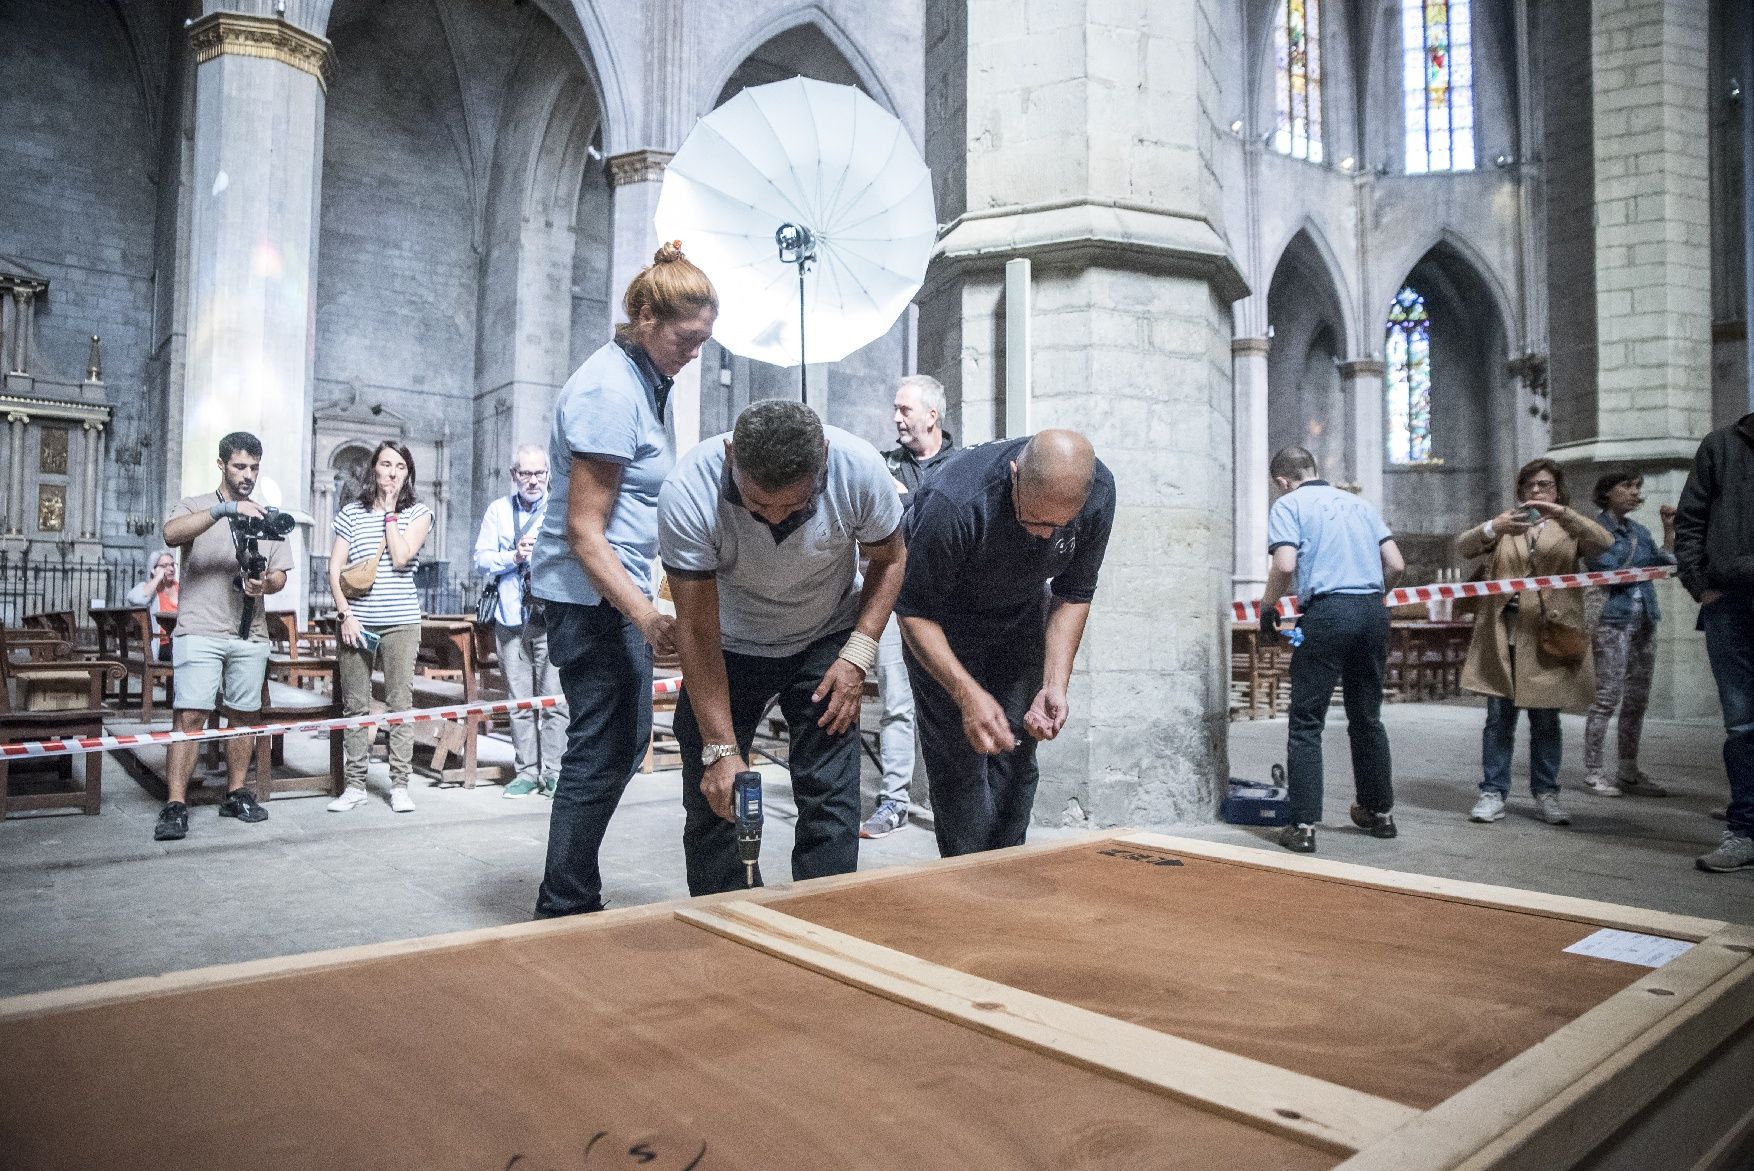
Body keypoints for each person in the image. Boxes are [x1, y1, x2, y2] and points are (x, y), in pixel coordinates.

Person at [529, 243, 716, 917]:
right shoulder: (611, 391)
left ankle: (569, 892)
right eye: (686, 339)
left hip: (607, 593)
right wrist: (645, 614)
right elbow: (584, 531)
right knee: (604, 743)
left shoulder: (642, 380)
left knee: (617, 740)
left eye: (704, 342)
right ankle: (564, 904)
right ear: (644, 316)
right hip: (590, 600)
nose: (694, 353)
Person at [660, 400, 905, 894]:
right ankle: (728, 914)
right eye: (757, 505)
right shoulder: (689, 491)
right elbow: (698, 631)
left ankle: (823, 915)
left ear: (825, 458)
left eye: (793, 506)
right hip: (726, 642)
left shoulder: (858, 470)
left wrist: (859, 651)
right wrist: (722, 747)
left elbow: (891, 559)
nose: (773, 518)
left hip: (825, 634)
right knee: (716, 788)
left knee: (830, 794)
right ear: (731, 455)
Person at [894, 429, 1114, 858]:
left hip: (1019, 618)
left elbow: (1073, 594)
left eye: (1060, 526)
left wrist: (1055, 684)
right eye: (1034, 521)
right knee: (961, 763)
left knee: (1015, 748)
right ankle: (970, 886)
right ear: (1015, 476)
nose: (1045, 538)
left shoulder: (1099, 491)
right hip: (943, 627)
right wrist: (966, 693)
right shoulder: (955, 501)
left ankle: (1008, 866)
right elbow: (914, 612)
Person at [1256, 447, 1404, 853]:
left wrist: (1268, 606)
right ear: (1313, 470)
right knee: (1367, 717)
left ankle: (1303, 825)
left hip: (1327, 613)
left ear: (1282, 481)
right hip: (1372, 612)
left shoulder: (1289, 504)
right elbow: (1396, 564)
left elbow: (1285, 565)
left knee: (1306, 721)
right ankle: (1380, 814)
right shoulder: (1359, 504)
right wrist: (1369, 599)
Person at [151, 432, 292, 842]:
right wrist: (226, 509)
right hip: (200, 628)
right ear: (221, 464)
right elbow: (172, 533)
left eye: (254, 468)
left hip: (250, 632)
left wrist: (264, 584)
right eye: (239, 466)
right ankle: (176, 802)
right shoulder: (197, 504)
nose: (247, 475)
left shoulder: (266, 516)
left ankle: (236, 792)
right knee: (190, 715)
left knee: (244, 715)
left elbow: (280, 573)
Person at [1459, 459, 1612, 827]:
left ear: (1557, 491)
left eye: (1544, 485)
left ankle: (1547, 793)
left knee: (1545, 719)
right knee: (1498, 719)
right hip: (1503, 633)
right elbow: (1464, 546)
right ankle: (1492, 792)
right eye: (1529, 484)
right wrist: (1492, 526)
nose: (1536, 491)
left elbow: (1603, 543)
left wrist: (1564, 513)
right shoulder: (1507, 527)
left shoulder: (1568, 527)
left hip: (1548, 635)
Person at [863, 373, 958, 840]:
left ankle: (957, 800)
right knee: (898, 705)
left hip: (952, 609)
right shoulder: (881, 467)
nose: (896, 418)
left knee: (954, 700)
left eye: (905, 410)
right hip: (898, 604)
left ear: (931, 416)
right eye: (896, 409)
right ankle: (895, 802)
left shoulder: (963, 465)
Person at [327, 441, 433, 815]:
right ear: (373, 469)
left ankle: (400, 785)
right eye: (385, 464)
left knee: (399, 704)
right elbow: (335, 568)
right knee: (355, 706)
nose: (391, 472)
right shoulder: (351, 514)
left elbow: (402, 557)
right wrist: (345, 614)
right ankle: (355, 785)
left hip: (401, 622)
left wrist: (390, 513)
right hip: (358, 621)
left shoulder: (419, 513)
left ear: (408, 474)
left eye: (400, 466)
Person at [1674, 414, 1754, 872]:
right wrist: (1698, 582)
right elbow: (1691, 519)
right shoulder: (1721, 446)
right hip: (1730, 604)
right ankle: (1744, 832)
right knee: (1743, 727)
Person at [473, 444, 565, 799]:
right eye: (525, 473)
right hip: (511, 619)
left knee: (555, 702)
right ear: (514, 476)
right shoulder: (498, 511)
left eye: (538, 473)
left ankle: (553, 772)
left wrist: (542, 552)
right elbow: (481, 559)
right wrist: (513, 556)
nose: (532, 480)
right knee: (520, 702)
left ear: (547, 475)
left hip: (550, 619)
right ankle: (526, 772)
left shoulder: (558, 512)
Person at [1581, 469, 1677, 798]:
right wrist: (1637, 564)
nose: (1635, 492)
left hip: (1645, 618)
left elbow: (1664, 562)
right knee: (1607, 698)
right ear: (1607, 491)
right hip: (1612, 619)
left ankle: (1628, 769)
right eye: (1628, 486)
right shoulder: (1595, 530)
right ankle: (1593, 770)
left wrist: (1668, 530)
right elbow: (1604, 568)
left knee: (1637, 699)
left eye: (1638, 487)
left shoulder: (1639, 531)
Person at [126, 548, 180, 662]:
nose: (171, 569)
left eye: (172, 564)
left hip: (181, 641)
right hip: (162, 644)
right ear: (153, 569)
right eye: (164, 566)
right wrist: (157, 578)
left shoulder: (181, 588)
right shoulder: (149, 589)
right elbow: (135, 599)